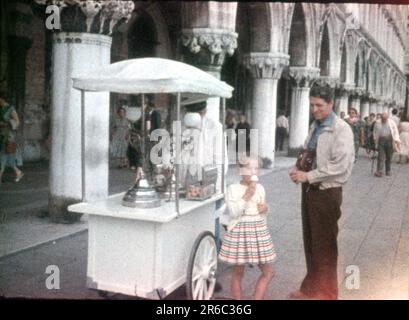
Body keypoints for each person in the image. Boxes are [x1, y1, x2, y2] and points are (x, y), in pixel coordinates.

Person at [289, 85, 355, 300]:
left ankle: (327, 294)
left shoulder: (341, 128)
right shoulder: (315, 125)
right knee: (311, 242)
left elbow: (340, 166)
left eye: (319, 105)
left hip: (327, 193)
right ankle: (309, 288)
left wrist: (308, 176)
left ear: (331, 104)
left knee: (325, 245)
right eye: (312, 105)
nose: (314, 109)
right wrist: (298, 168)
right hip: (310, 191)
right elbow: (309, 152)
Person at [219, 157, 276, 300]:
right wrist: (247, 195)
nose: (253, 172)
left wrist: (265, 209)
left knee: (268, 272)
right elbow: (233, 213)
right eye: (249, 168)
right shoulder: (232, 189)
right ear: (240, 170)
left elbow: (262, 213)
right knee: (238, 273)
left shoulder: (261, 188)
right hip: (240, 234)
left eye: (256, 168)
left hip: (257, 233)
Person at [0, 94, 24, 184]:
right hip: (1, 134)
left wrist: (5, 124)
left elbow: (17, 122)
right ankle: (18, 172)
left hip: (8, 135)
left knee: (3, 155)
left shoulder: (10, 108)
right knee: (7, 157)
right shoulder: (0, 108)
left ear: (2, 99)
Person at [373, 112, 400, 177]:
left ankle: (388, 170)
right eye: (382, 118)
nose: (383, 120)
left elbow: (395, 131)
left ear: (387, 118)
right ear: (381, 118)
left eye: (385, 119)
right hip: (381, 140)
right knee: (380, 157)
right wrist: (374, 140)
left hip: (390, 140)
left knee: (389, 157)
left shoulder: (392, 123)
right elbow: (375, 132)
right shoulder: (377, 122)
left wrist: (397, 140)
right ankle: (379, 171)